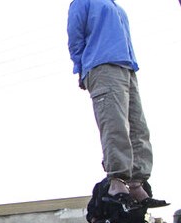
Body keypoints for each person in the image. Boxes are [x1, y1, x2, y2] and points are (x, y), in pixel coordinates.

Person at [67, 0, 165, 208]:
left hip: (127, 67)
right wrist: (81, 68)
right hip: (102, 66)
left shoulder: (115, 5)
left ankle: (137, 183)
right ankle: (117, 181)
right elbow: (75, 38)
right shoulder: (82, 2)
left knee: (139, 128)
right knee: (115, 125)